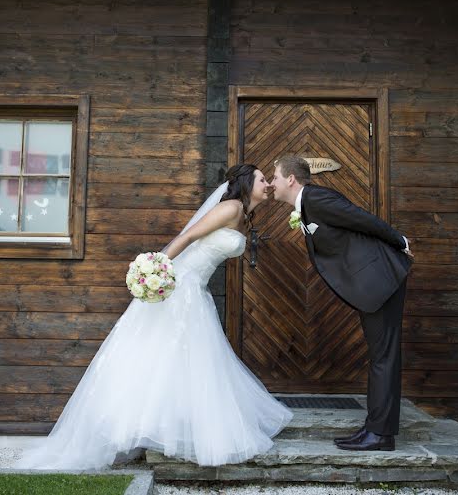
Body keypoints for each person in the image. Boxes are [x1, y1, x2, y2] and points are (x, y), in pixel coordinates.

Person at [16, 164, 292, 470]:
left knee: (184, 361)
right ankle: (136, 428)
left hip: (196, 290)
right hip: (181, 287)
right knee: (162, 356)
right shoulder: (230, 207)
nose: (267, 184)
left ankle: (171, 426)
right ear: (246, 184)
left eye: (269, 180)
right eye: (262, 180)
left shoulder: (243, 215)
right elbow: (188, 237)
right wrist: (158, 267)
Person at [269, 155, 413, 452]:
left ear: (291, 179)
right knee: (380, 357)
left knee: (383, 358)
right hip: (372, 286)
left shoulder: (317, 198)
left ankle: (381, 435)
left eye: (275, 177)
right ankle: (374, 429)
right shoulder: (308, 205)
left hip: (381, 280)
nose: (272, 183)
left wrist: (401, 242)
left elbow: (364, 219)